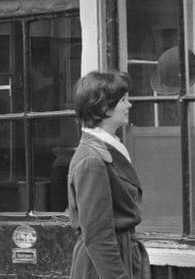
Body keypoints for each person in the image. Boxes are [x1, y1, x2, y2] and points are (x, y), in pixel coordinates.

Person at [68, 70, 150, 279]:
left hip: (118, 258)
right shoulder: (92, 160)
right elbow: (98, 237)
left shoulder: (107, 149)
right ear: (104, 108)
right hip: (103, 268)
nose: (129, 105)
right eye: (123, 100)